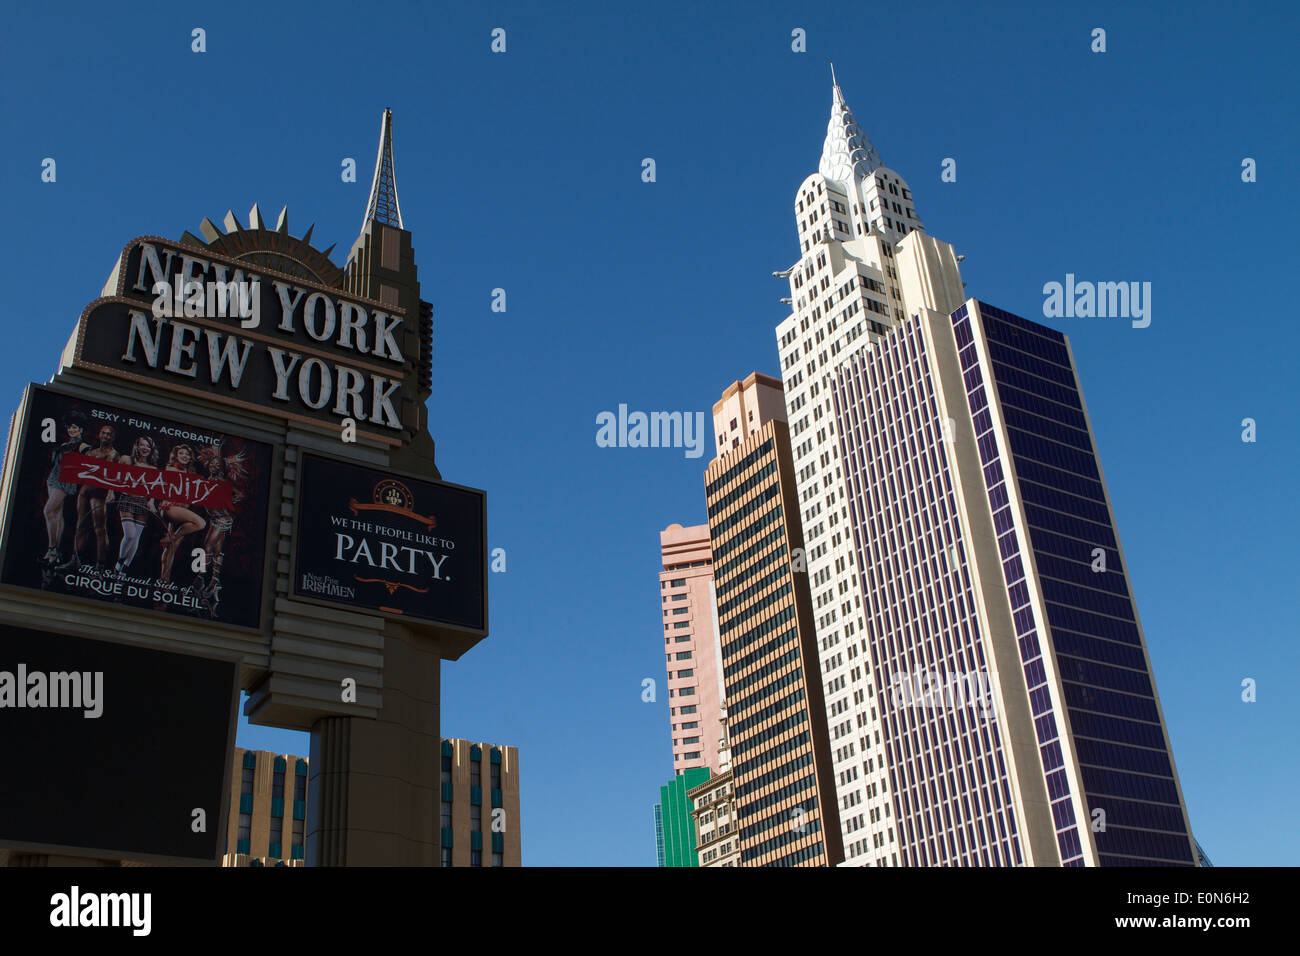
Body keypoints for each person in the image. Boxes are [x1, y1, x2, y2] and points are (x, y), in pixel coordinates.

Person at [195, 442, 249, 616]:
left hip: (222, 519)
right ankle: (214, 581)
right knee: (217, 550)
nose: (214, 466)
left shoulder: (223, 482)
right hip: (213, 519)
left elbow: (240, 495)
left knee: (207, 548)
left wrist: (228, 505)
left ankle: (201, 577)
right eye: (212, 463)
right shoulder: (207, 481)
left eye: (218, 464)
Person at [64, 423, 121, 570]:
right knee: (81, 526)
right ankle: (75, 560)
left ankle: (100, 565)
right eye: (103, 433)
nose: (105, 436)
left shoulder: (114, 455)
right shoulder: (92, 452)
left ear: (113, 437)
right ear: (99, 434)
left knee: (99, 528)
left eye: (109, 434)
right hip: (85, 492)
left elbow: (111, 476)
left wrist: (110, 492)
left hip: (99, 493)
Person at [153, 443, 206, 593]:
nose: (185, 456)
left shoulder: (190, 474)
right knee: (200, 523)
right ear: (176, 455)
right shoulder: (170, 469)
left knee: (172, 548)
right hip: (169, 508)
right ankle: (173, 537)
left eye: (187, 455)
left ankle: (164, 581)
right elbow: (162, 488)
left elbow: (189, 500)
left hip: (180, 510)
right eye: (181, 453)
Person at [41, 411, 90, 566]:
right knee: (56, 513)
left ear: (81, 429)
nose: (72, 430)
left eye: (75, 428)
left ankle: (52, 549)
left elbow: (89, 461)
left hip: (64, 481)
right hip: (53, 478)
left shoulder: (83, 446)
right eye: (70, 427)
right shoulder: (64, 445)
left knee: (49, 510)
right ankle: (55, 553)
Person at [112, 435, 158, 574]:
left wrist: (151, 501)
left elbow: (155, 488)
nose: (145, 448)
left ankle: (123, 570)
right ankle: (119, 562)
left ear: (151, 450)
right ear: (137, 446)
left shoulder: (153, 468)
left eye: (148, 446)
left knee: (136, 537)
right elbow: (113, 474)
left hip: (143, 502)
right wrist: (110, 492)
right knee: (130, 535)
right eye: (142, 445)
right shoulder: (127, 459)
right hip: (127, 498)